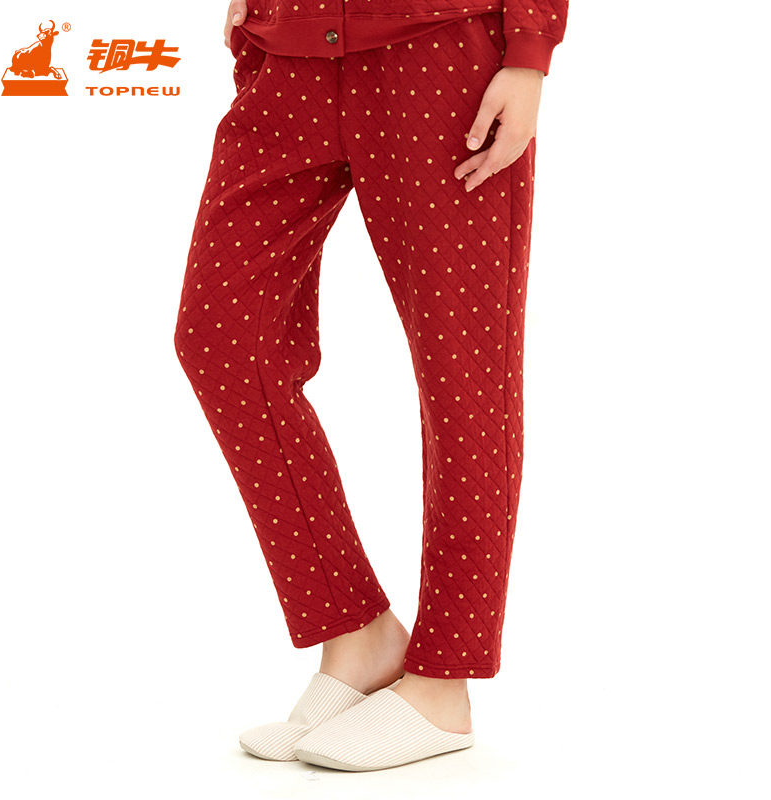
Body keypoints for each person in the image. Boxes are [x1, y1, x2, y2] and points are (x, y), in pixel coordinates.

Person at [173, 0, 569, 771]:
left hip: (439, 52)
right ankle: (356, 635)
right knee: (220, 338)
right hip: (289, 47)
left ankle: (444, 682)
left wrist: (529, 51)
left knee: (462, 370)